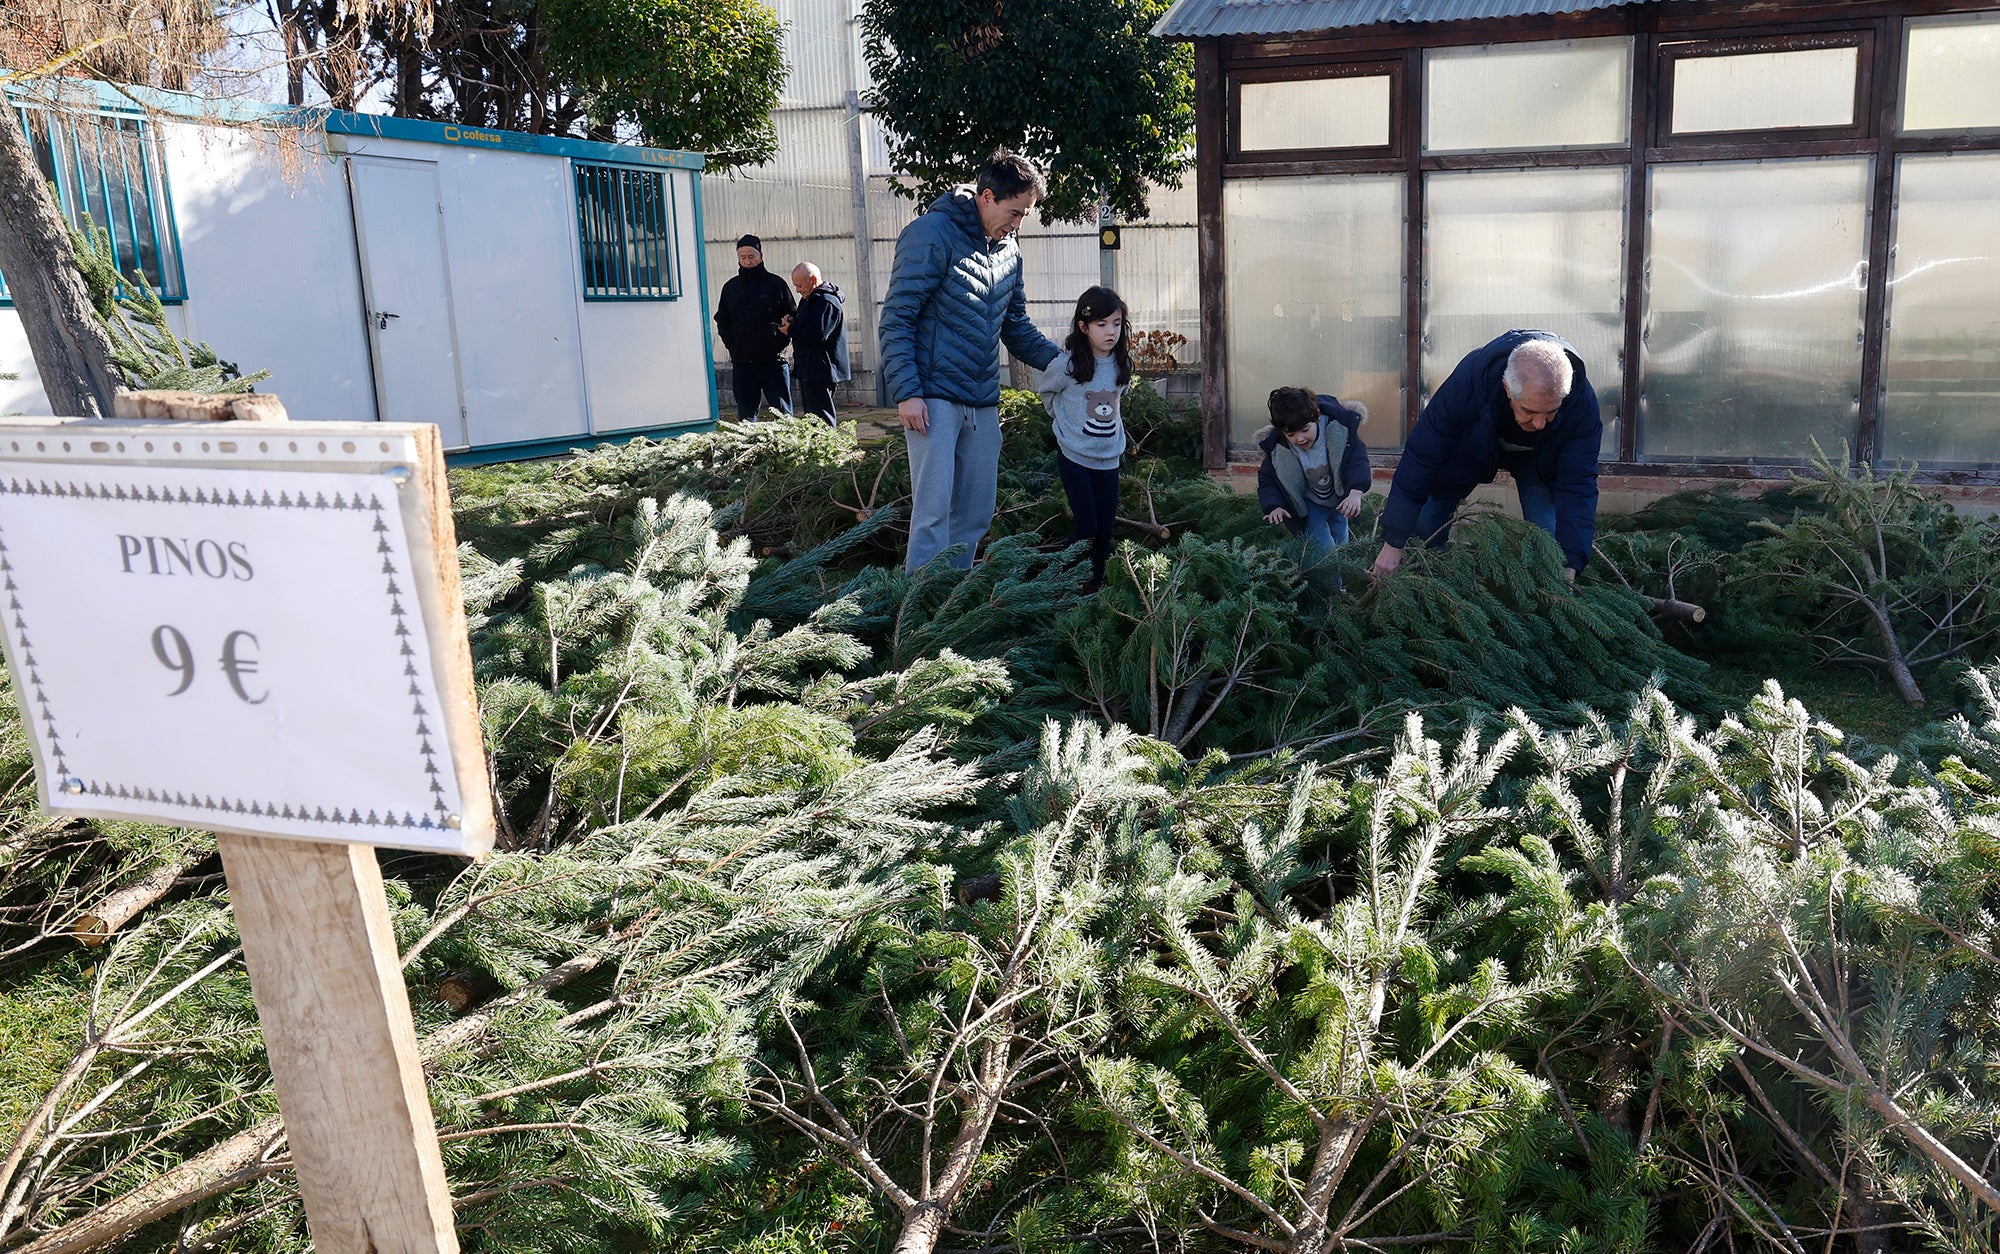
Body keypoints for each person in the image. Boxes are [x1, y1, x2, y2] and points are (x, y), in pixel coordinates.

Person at [879, 150, 1062, 571]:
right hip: (932, 399)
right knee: (933, 514)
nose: (1018, 224)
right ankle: (920, 610)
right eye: (1015, 212)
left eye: (1024, 215)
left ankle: (954, 601)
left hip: (982, 401)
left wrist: (1065, 363)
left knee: (976, 512)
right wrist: (907, 393)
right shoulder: (930, 234)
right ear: (986, 196)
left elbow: (1015, 325)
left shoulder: (1009, 251)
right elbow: (897, 318)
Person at [1371, 331, 1600, 582]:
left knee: (1550, 539)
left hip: (1537, 459)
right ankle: (1426, 583)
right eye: (1530, 411)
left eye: (1550, 412)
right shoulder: (1469, 382)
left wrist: (1570, 563)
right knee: (1426, 524)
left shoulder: (1581, 403)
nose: (1540, 423)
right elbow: (1421, 457)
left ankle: (1544, 591)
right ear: (1507, 387)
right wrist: (1394, 541)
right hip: (1470, 448)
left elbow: (1578, 483)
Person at [1035, 286, 1131, 591]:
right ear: (1083, 327)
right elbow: (1047, 392)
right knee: (1087, 526)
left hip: (1108, 459)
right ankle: (1053, 577)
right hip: (1075, 458)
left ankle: (1093, 585)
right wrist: (1062, 420)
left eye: (1116, 323)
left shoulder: (1121, 364)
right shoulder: (1068, 366)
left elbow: (1119, 397)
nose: (1110, 331)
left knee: (1104, 530)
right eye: (1101, 325)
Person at [1256, 387, 1371, 575]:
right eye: (1291, 434)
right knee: (1322, 547)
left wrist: (1356, 492)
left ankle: (1344, 578)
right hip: (1312, 503)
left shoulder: (1338, 429)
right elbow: (1267, 478)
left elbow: (1357, 459)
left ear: (1316, 416)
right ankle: (1331, 587)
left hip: (1340, 499)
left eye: (1305, 430)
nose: (1300, 438)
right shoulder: (1280, 448)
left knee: (1341, 539)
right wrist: (1273, 506)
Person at [713, 234, 796, 420]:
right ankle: (749, 447)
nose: (747, 261)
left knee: (783, 413)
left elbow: (791, 315)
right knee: (746, 414)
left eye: (751, 256)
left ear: (761, 256)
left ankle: (788, 446)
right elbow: (722, 319)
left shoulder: (776, 284)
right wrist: (731, 343)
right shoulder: (731, 287)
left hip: (773, 361)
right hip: (742, 361)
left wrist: (780, 341)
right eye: (742, 257)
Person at [782, 262, 849, 427]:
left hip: (821, 368)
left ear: (812, 279)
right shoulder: (809, 299)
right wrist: (793, 322)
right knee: (812, 416)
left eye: (799, 285)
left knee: (822, 417)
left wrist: (790, 330)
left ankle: (828, 449)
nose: (798, 290)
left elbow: (817, 333)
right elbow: (806, 324)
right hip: (808, 366)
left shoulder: (826, 301)